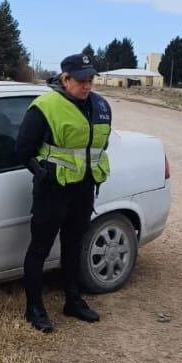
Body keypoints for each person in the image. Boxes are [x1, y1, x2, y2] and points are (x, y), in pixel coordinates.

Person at [15, 53, 113, 332]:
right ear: (65, 79)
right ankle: (34, 308)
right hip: (53, 189)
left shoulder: (101, 106)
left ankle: (73, 301)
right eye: (81, 80)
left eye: (91, 79)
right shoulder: (45, 106)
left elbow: (99, 146)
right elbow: (22, 150)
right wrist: (41, 173)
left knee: (74, 246)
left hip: (83, 189)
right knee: (40, 249)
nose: (87, 85)